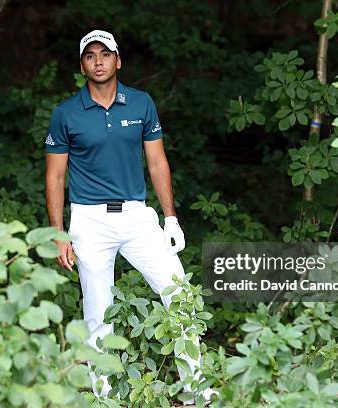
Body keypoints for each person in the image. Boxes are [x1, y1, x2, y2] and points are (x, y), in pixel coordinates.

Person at [45, 29, 217, 405]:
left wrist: (170, 218)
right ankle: (105, 397)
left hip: (138, 217)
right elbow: (55, 177)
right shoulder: (66, 114)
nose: (98, 61)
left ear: (118, 60)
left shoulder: (141, 104)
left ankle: (196, 391)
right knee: (98, 312)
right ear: (82, 65)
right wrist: (58, 233)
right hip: (89, 221)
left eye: (105, 54)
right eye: (90, 56)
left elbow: (157, 162)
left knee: (180, 295)